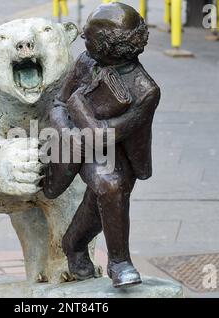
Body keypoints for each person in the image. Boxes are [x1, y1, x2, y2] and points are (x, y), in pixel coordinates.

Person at [43, 2, 161, 288]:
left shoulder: (145, 91)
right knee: (109, 189)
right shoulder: (86, 61)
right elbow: (59, 103)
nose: (84, 40)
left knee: (105, 195)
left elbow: (110, 133)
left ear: (108, 46)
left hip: (114, 148)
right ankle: (104, 256)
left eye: (90, 37)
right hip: (75, 138)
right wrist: (68, 133)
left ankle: (102, 255)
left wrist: (84, 121)